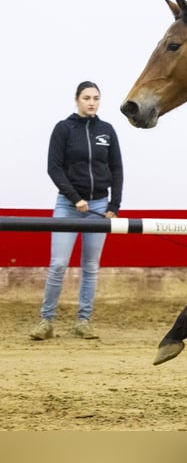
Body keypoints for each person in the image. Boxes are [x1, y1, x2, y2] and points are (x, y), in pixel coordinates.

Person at [30, 81, 124, 340]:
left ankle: (83, 321)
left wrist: (113, 206)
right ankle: (46, 321)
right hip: (68, 206)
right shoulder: (64, 129)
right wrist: (74, 198)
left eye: (95, 97)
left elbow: (116, 169)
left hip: (99, 206)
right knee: (58, 265)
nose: (92, 102)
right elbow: (54, 168)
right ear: (77, 100)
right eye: (86, 97)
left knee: (91, 266)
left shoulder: (107, 130)